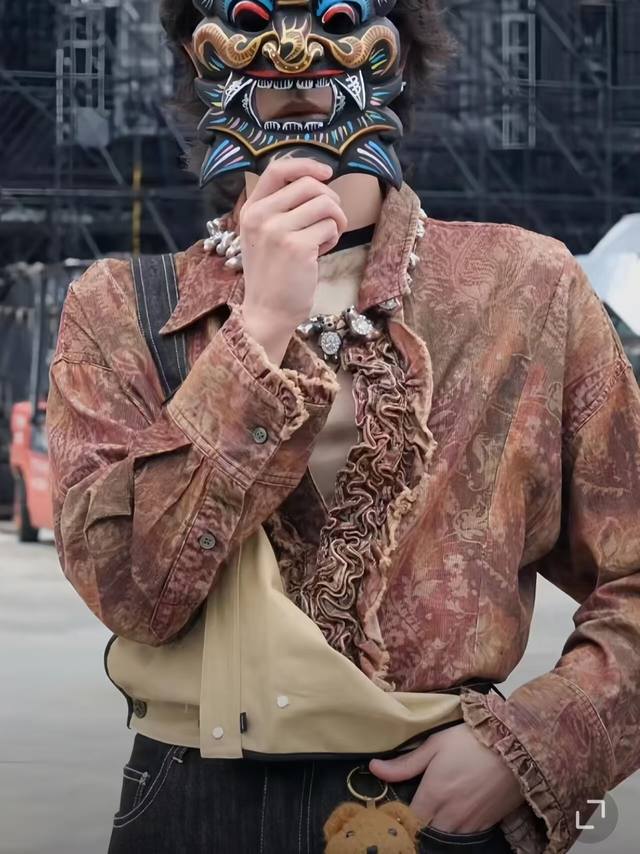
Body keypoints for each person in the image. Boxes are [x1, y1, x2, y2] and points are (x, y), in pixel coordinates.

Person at [46, 0, 640, 852]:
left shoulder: (524, 290)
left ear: (395, 43)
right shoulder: (116, 312)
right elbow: (135, 597)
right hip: (194, 799)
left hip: (433, 798)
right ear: (200, 51)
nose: (294, 48)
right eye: (254, 16)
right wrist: (257, 331)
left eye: (330, 15)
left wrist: (532, 747)